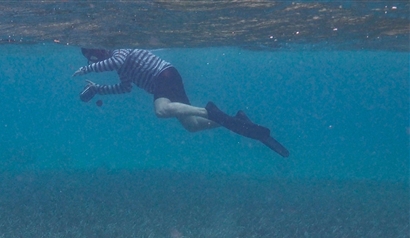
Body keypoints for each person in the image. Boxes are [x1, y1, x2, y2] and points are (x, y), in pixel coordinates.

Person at [73, 48, 289, 157]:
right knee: (192, 126)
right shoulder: (120, 67)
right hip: (167, 79)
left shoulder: (119, 53)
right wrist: (97, 88)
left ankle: (209, 112)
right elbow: (124, 88)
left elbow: (113, 62)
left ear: (98, 53)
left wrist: (86, 69)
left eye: (93, 59)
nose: (94, 63)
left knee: (161, 110)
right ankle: (234, 119)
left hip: (163, 77)